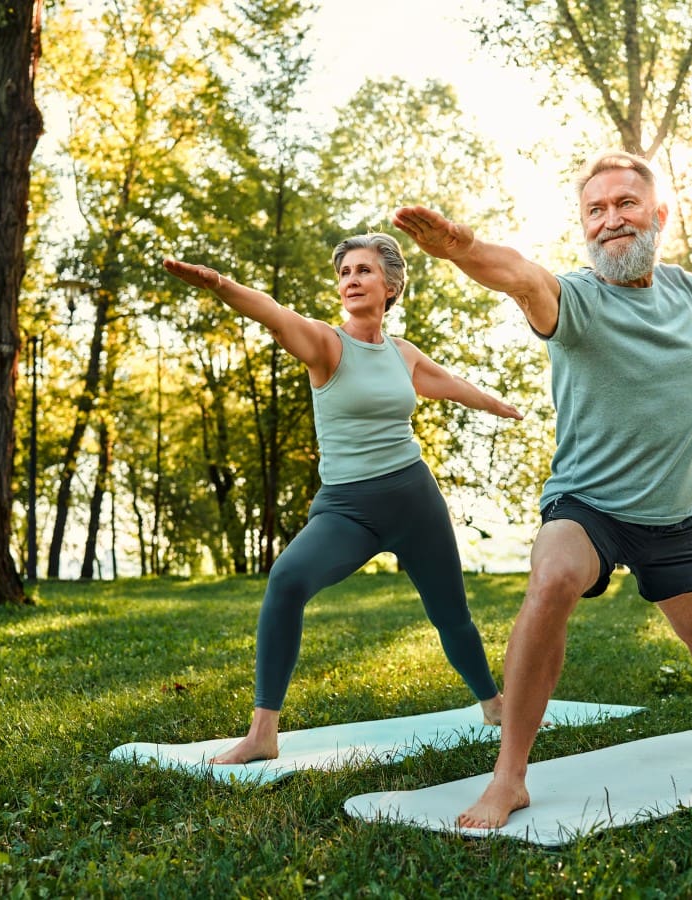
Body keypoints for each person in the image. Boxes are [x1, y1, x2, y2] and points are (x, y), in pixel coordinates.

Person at [392, 149, 692, 829]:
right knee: (551, 579)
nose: (610, 220)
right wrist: (462, 249)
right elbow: (519, 276)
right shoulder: (574, 299)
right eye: (595, 210)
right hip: (589, 506)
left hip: (670, 516)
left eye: (625, 204)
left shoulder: (685, 292)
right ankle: (508, 776)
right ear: (583, 227)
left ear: (658, 215)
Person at [162, 233, 522, 764]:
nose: (351, 280)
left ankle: (493, 704)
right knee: (286, 579)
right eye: (345, 272)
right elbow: (275, 315)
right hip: (349, 509)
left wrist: (499, 407)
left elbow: (447, 383)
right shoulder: (326, 345)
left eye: (364, 271)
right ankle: (263, 733)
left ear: (392, 286)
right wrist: (219, 284)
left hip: (415, 500)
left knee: (452, 615)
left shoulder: (403, 353)